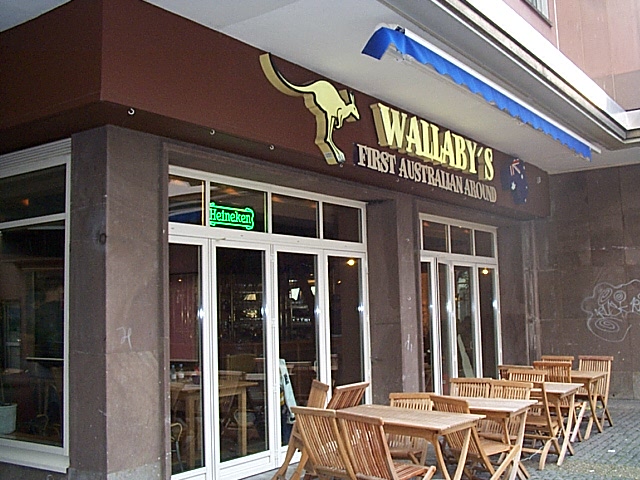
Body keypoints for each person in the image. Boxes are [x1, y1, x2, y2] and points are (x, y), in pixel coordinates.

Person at [34, 280, 64, 359]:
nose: (62, 293)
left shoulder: (38, 311)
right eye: (61, 290)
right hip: (54, 356)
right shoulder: (57, 311)